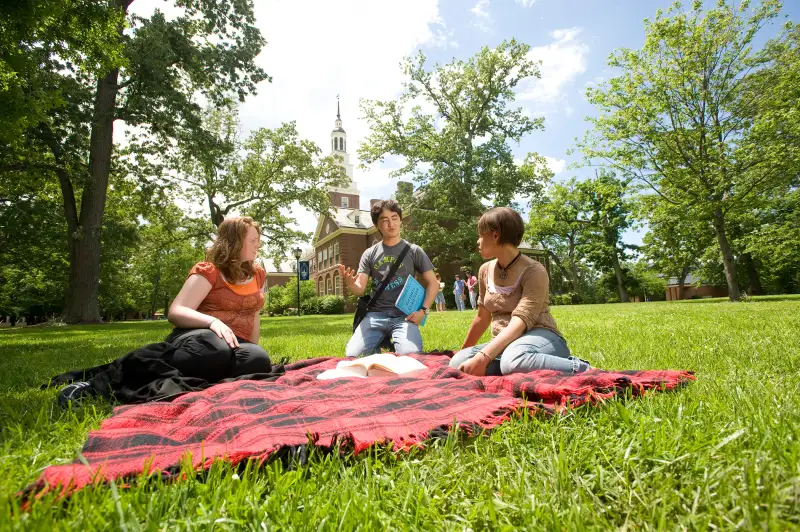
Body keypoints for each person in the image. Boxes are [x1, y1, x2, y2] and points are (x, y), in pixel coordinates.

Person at [57, 216, 272, 403]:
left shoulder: (258, 274)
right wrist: (213, 322)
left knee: (258, 361)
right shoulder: (209, 272)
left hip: (233, 343)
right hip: (199, 338)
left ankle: (192, 381)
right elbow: (177, 311)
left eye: (258, 240)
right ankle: (97, 385)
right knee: (215, 350)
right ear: (234, 242)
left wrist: (252, 347)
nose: (258, 245)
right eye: (253, 240)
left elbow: (253, 313)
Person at [450, 207, 590, 376]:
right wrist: (465, 353)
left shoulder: (534, 270)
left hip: (541, 337)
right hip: (505, 345)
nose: (478, 241)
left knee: (513, 361)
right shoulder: (484, 270)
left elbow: (521, 320)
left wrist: (485, 356)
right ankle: (521, 367)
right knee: (457, 363)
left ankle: (581, 368)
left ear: (495, 235)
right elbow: (482, 317)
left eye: (481, 235)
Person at [339, 200, 438, 357]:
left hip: (404, 316)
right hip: (375, 315)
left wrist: (423, 311)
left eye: (394, 218)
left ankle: (391, 345)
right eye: (384, 220)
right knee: (352, 355)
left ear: (400, 220)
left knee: (410, 356)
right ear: (377, 225)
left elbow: (433, 283)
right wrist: (351, 284)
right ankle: (380, 346)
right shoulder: (369, 253)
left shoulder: (414, 251)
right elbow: (360, 288)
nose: (391, 224)